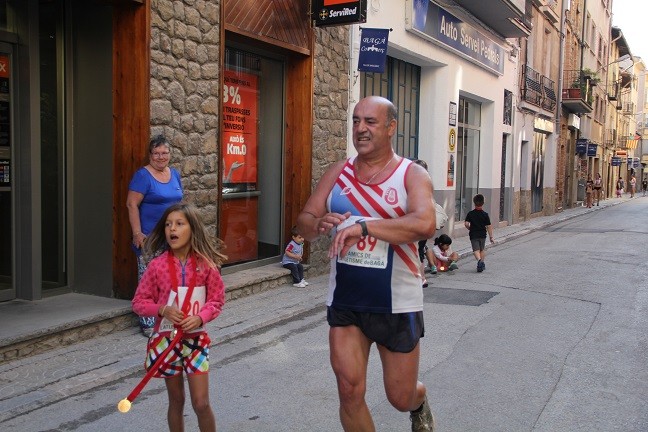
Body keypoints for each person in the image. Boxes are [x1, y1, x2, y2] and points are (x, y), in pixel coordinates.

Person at [297, 96, 437, 431]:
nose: (360, 129)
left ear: (391, 127)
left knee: (400, 397)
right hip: (347, 300)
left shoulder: (411, 174)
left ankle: (419, 403)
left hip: (397, 303)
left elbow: (424, 224)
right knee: (348, 391)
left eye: (370, 122)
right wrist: (317, 224)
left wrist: (364, 226)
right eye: (356, 121)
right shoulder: (338, 173)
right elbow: (303, 222)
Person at [132, 202, 227, 432]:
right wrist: (162, 310)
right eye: (168, 224)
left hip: (195, 341)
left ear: (192, 228)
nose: (172, 229)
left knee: (201, 403)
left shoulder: (206, 265)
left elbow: (217, 300)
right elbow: (139, 303)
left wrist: (201, 317)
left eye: (179, 224)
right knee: (176, 401)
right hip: (167, 341)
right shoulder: (157, 266)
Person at [127, 135, 184, 336]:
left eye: (164, 153)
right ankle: (147, 321)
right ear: (150, 155)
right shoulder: (143, 176)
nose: (160, 157)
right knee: (149, 279)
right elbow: (131, 204)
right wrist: (137, 232)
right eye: (156, 153)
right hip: (149, 238)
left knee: (171, 278)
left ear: (170, 154)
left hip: (174, 238)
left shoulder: (174, 174)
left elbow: (179, 204)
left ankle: (167, 319)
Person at [412, 159, 439, 285]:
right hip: (424, 223)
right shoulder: (427, 183)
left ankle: (418, 278)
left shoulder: (415, 184)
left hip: (416, 223)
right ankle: (422, 278)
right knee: (420, 251)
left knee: (414, 251)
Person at [464, 194, 494, 273]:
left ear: (474, 203)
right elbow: (489, 226)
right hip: (482, 234)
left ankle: (479, 261)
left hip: (473, 234)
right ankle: (482, 263)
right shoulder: (485, 214)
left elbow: (466, 224)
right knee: (482, 249)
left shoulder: (470, 214)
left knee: (475, 250)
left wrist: (470, 228)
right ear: (483, 203)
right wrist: (491, 237)